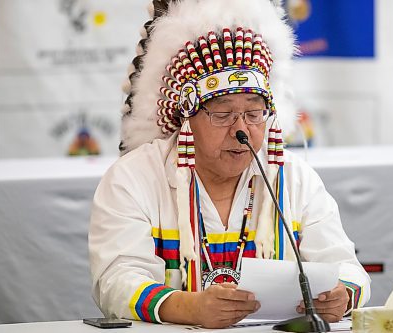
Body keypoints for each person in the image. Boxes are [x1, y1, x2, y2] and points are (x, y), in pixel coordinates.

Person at [88, 0, 370, 328]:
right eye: (222, 114)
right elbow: (116, 282)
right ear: (186, 119)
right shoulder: (133, 178)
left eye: (254, 114)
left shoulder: (293, 177)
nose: (241, 130)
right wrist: (187, 307)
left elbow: (348, 270)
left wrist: (342, 295)